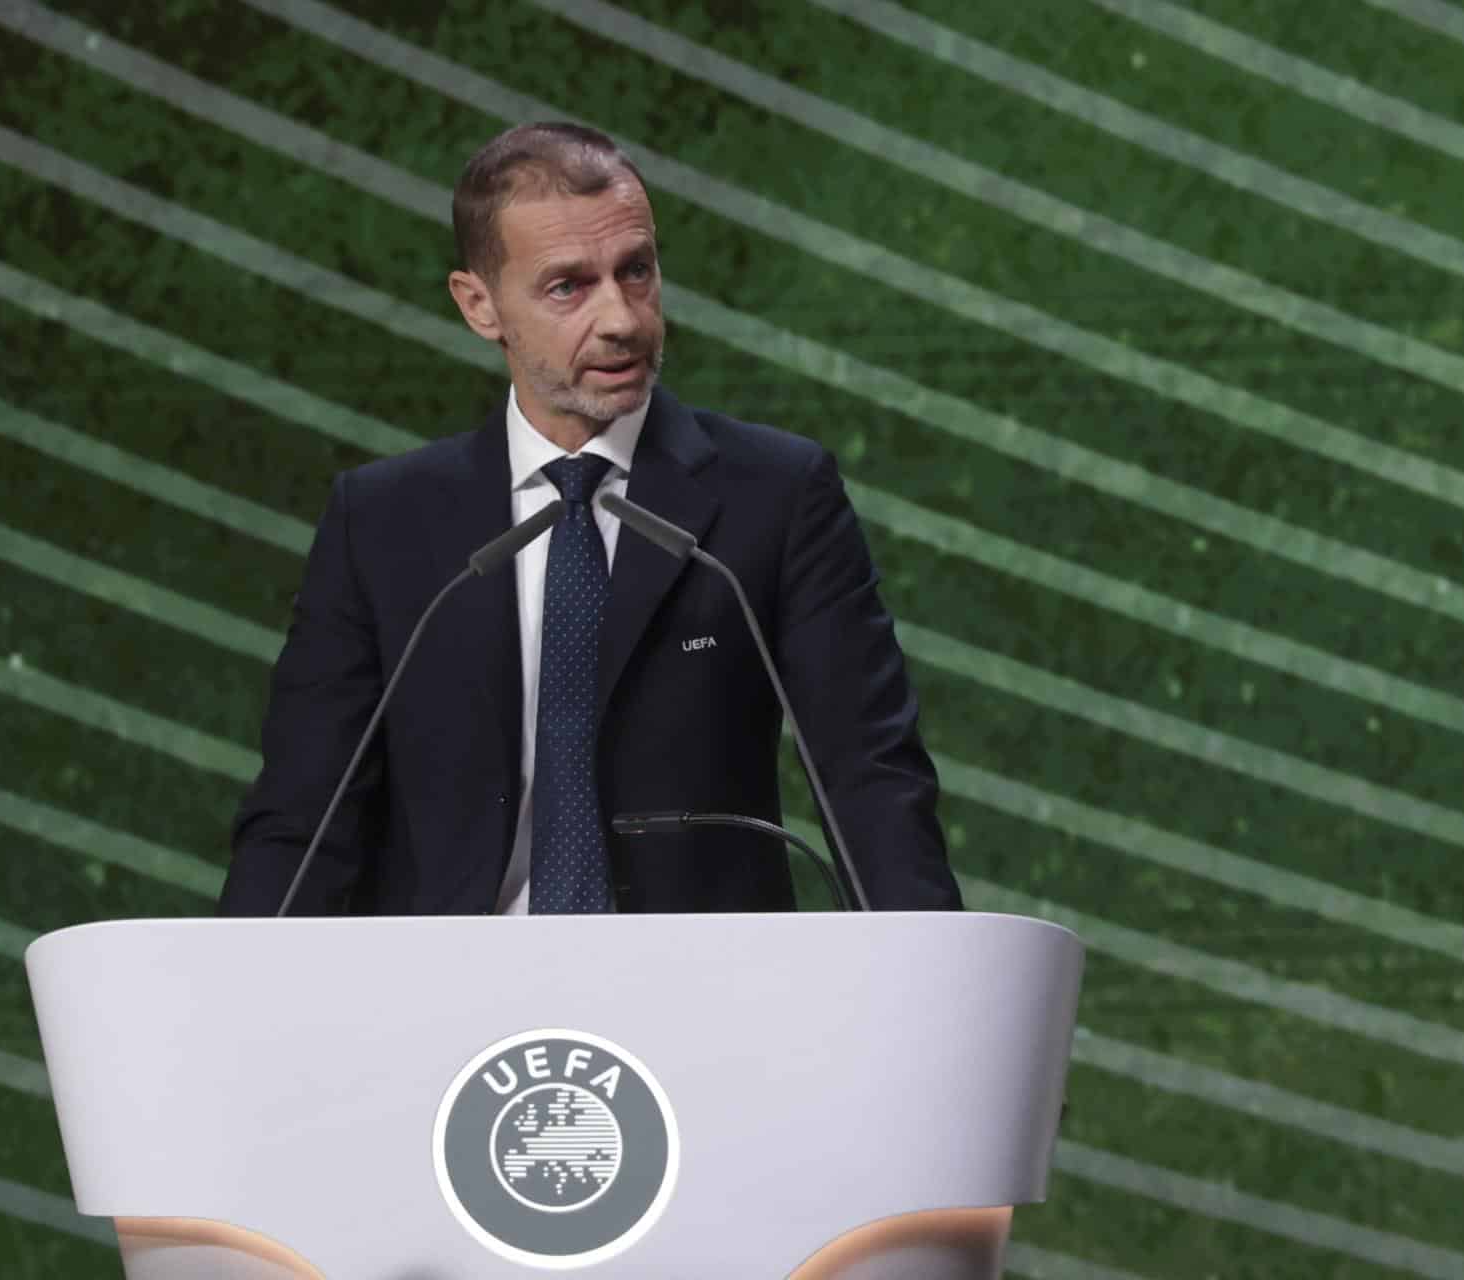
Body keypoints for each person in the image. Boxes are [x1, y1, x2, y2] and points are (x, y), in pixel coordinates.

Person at [220, 122, 961, 915]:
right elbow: (304, 820)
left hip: (700, 991)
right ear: (480, 305)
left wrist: (936, 997)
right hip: (447, 1006)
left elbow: (871, 781)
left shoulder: (776, 494)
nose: (623, 319)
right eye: (568, 286)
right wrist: (239, 1017)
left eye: (636, 271)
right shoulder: (382, 522)